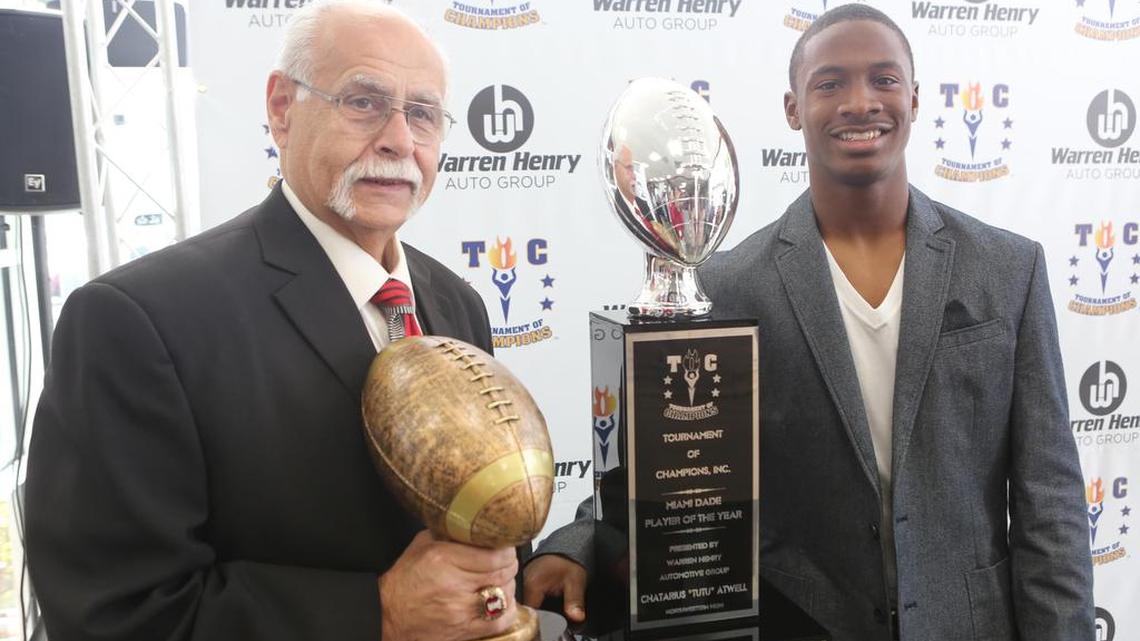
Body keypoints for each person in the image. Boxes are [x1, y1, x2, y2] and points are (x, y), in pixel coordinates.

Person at [524, 6, 1094, 640]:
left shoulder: (1008, 268)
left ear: (915, 96)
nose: (860, 102)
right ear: (793, 108)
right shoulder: (726, 287)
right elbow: (671, 470)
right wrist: (578, 542)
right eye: (829, 84)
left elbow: (1051, 499)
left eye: (883, 79)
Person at [25, 3, 523, 640]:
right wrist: (379, 613)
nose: (401, 139)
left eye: (423, 113)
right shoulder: (137, 322)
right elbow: (117, 613)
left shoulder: (456, 303)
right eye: (365, 102)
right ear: (283, 109)